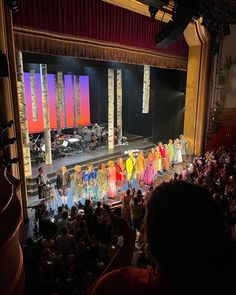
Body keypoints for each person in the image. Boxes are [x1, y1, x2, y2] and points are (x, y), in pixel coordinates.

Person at [89, 181, 236, 295]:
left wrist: (128, 242)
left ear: (150, 244)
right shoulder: (222, 282)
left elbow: (98, 289)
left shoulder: (126, 285)